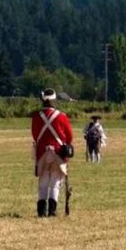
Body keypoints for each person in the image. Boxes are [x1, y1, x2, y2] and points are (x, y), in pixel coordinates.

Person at [31, 88, 73, 217]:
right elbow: (69, 136)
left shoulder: (36, 116)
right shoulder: (62, 116)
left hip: (42, 152)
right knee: (55, 182)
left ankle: (41, 211)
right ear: (54, 100)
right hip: (59, 153)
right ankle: (52, 211)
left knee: (43, 182)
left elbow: (34, 135)